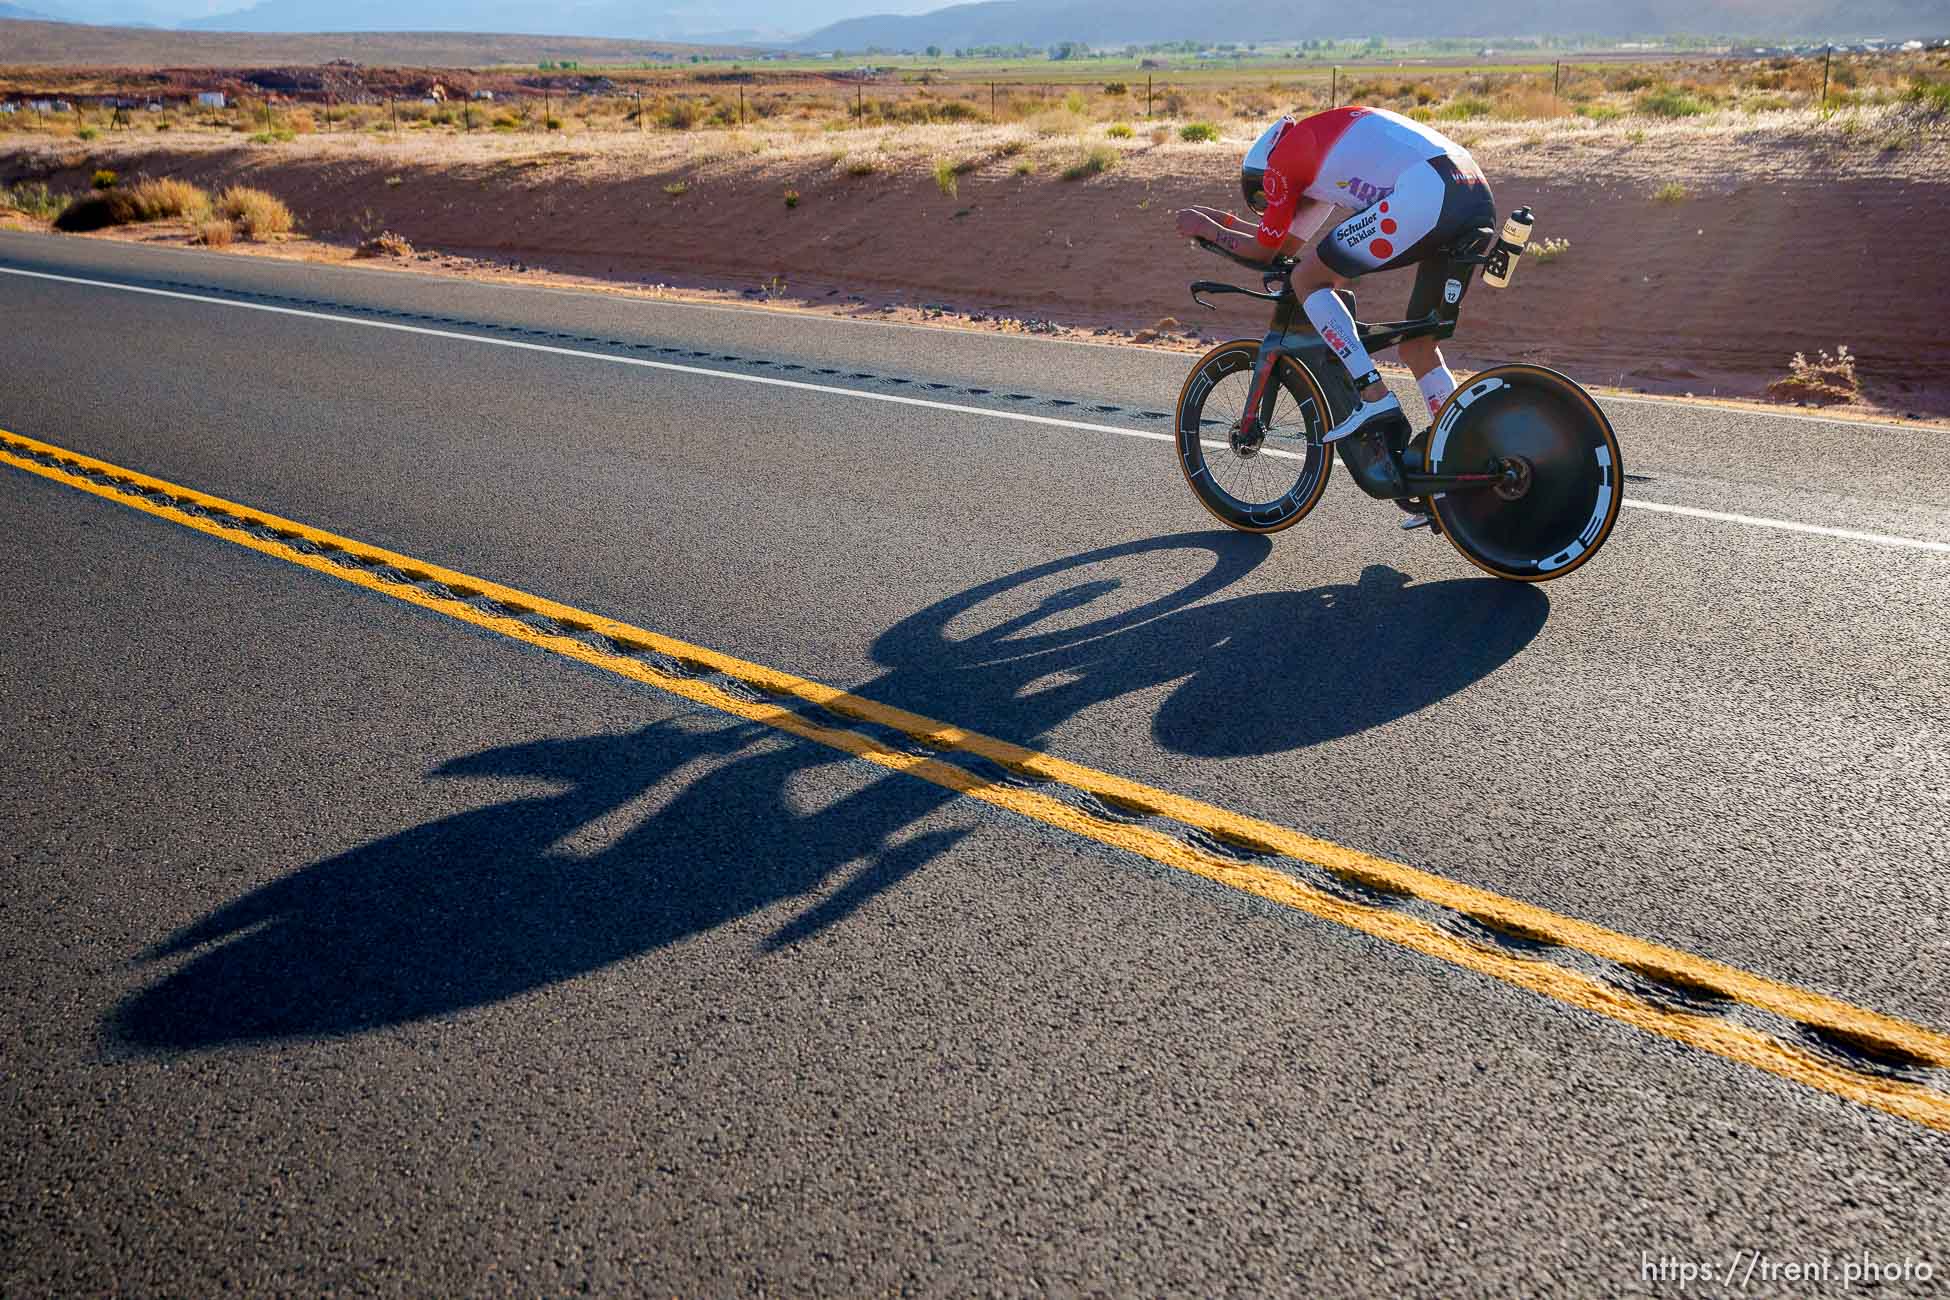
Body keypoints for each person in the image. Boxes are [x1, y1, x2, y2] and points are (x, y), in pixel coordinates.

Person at [1174, 106, 1496, 518]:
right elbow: (1282, 246)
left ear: (1263, 175)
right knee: (1418, 348)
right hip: (1469, 191)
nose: (1272, 204)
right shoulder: (1318, 158)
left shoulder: (1280, 163)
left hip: (1427, 191)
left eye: (1265, 199)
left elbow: (1268, 250)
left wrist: (1205, 228)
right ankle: (1459, 451)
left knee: (1309, 282)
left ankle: (1372, 394)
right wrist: (1228, 230)